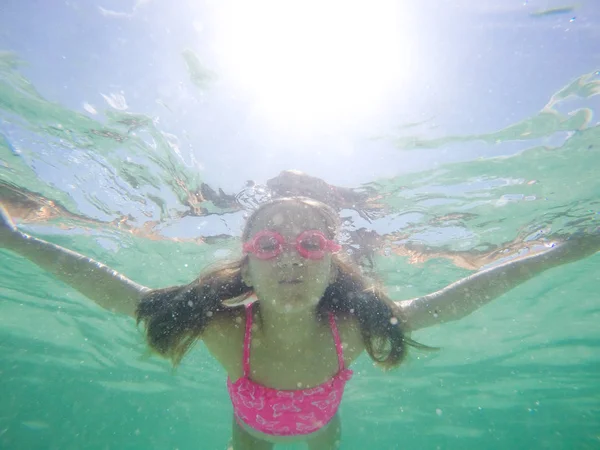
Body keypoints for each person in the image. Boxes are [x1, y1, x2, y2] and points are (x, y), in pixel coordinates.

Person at [0, 197, 598, 450]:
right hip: (250, 428)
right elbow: (113, 289)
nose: (289, 257)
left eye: (310, 243)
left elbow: (465, 295)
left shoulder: (357, 329)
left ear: (333, 261)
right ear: (247, 262)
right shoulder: (221, 327)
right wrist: (16, 238)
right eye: (270, 241)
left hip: (323, 425)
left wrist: (555, 253)